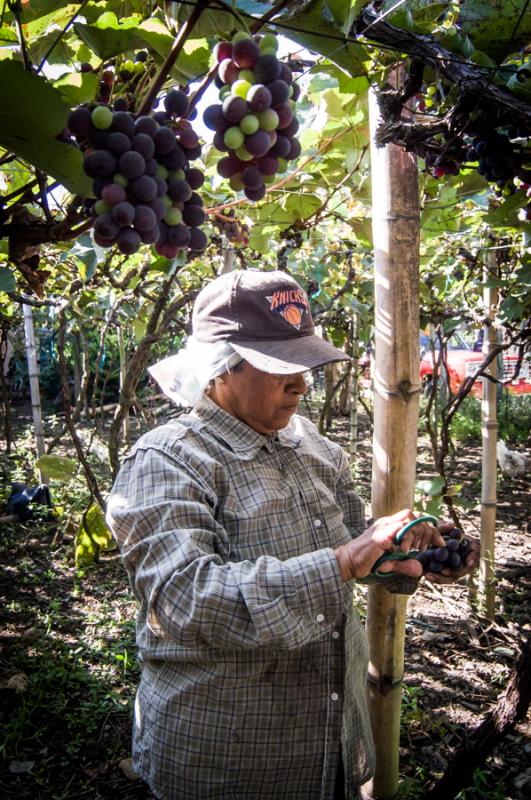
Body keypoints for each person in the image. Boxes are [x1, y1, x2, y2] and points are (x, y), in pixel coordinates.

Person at [107, 269, 479, 800]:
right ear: (221, 368)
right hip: (230, 763)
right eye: (281, 367)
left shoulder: (312, 447)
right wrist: (342, 563)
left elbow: (355, 542)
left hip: (328, 744)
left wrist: (403, 552)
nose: (302, 383)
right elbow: (185, 602)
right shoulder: (168, 462)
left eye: (305, 365)